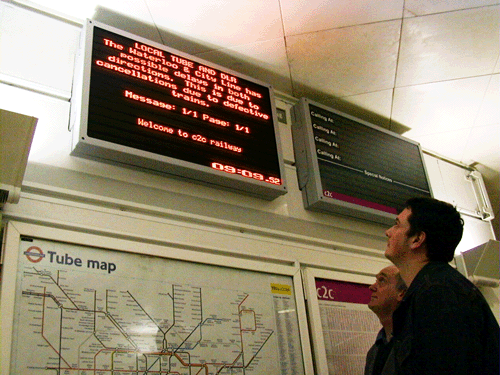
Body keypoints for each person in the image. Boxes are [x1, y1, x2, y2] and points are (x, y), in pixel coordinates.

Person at [384, 197, 499, 375]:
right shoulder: (435, 289)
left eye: (397, 225)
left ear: (417, 239)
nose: (388, 232)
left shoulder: (439, 294)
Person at [365, 265, 407, 375]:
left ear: (401, 293)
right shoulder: (373, 352)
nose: (372, 287)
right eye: (376, 280)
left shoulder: (415, 345)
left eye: (382, 280)